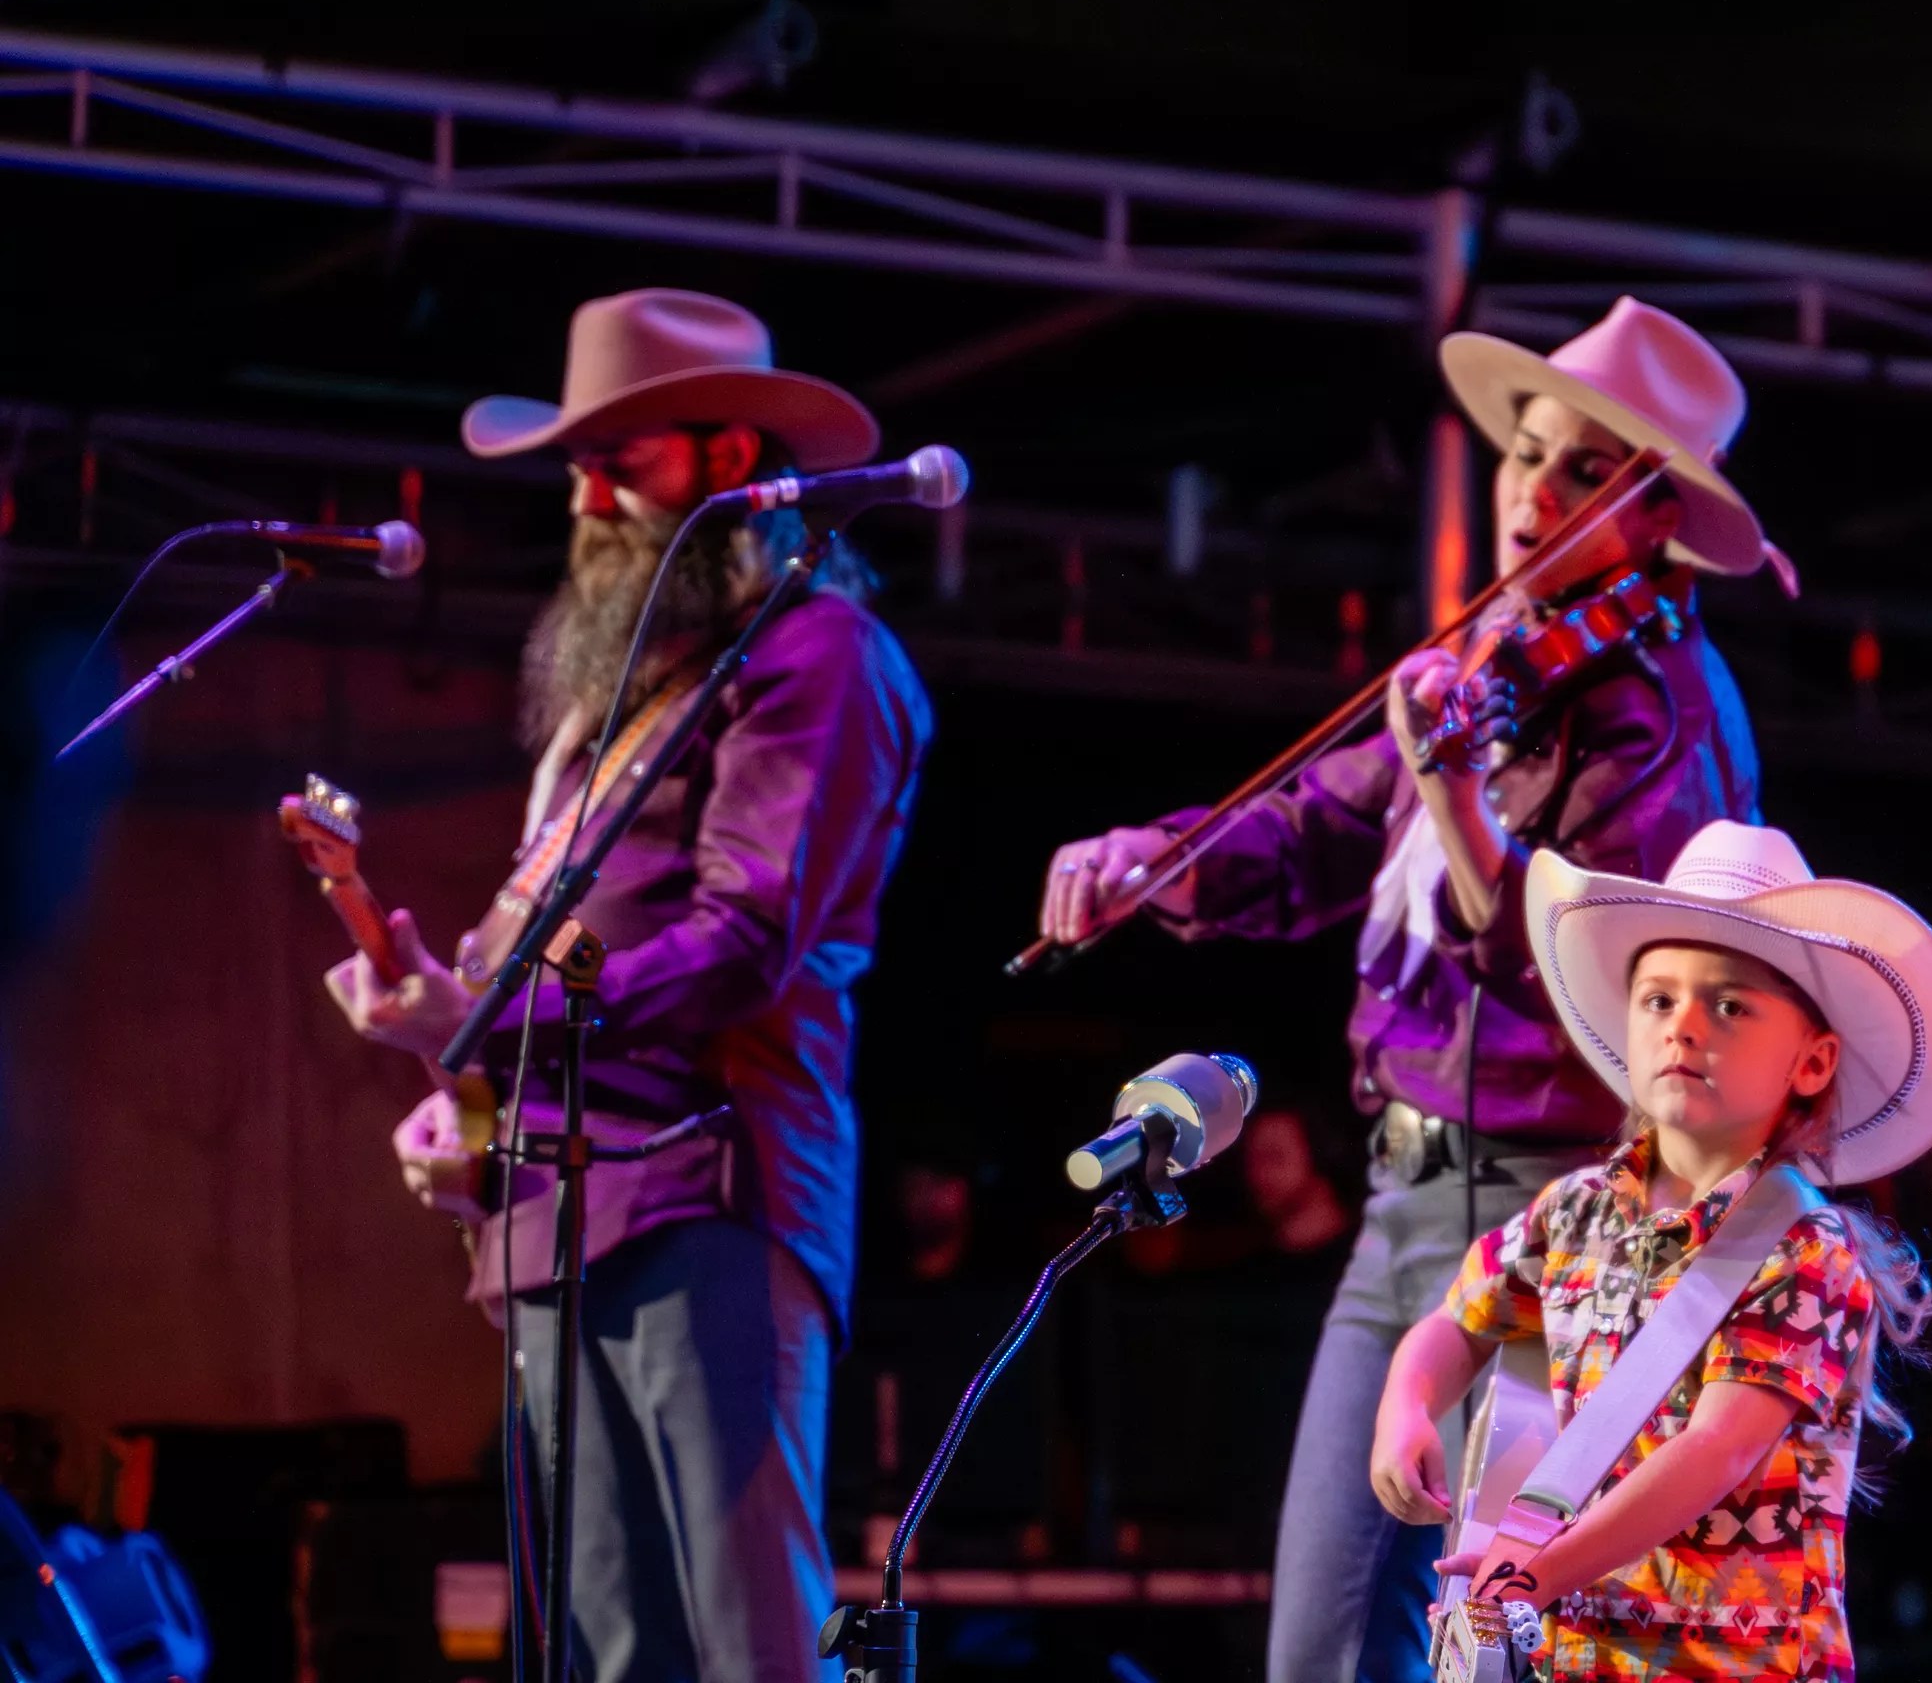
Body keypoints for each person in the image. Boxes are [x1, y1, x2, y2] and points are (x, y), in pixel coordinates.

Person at [1036, 297, 1777, 1683]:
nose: (1532, 492)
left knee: (1491, 1643)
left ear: (1658, 514)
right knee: (1321, 1643)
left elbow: (1596, 979)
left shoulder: (1662, 709)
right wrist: (1156, 860)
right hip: (1406, 1201)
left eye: (1582, 471)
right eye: (1524, 454)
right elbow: (1320, 822)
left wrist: (1454, 794)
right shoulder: (1496, 659)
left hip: (1551, 1211)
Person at [327, 288, 934, 1682]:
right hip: (560, 1204)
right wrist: (465, 1068)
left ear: (732, 460)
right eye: (576, 467)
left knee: (742, 1634)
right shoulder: (645, 694)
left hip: (709, 1191)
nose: (586, 498)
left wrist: (492, 1021)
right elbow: (575, 937)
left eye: (621, 461)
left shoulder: (816, 653)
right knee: (606, 1643)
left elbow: (743, 935)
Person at [1368, 820, 1932, 1679]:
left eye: (1728, 1006)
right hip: (1577, 1657)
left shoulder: (1807, 1252)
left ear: (1812, 1062)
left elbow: (1717, 1450)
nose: (1683, 1025)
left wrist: (1536, 1573)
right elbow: (1456, 1324)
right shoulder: (1571, 1214)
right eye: (1657, 1000)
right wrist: (1406, 1408)